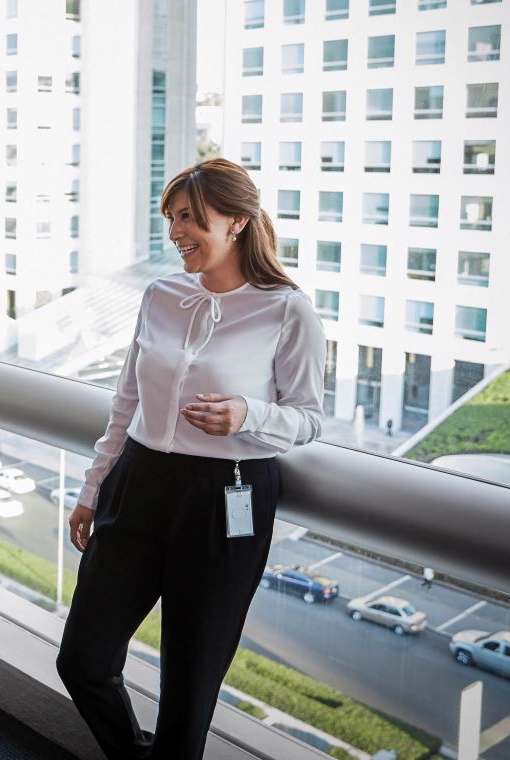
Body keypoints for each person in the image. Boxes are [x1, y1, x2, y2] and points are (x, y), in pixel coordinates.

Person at [57, 158, 324, 760]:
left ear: (237, 221)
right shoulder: (160, 295)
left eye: (189, 218)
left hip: (225, 498)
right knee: (83, 660)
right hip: (138, 481)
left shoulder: (288, 309)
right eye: (172, 218)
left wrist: (248, 414)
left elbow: (308, 418)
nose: (176, 232)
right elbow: (126, 403)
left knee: (187, 694)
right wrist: (93, 488)